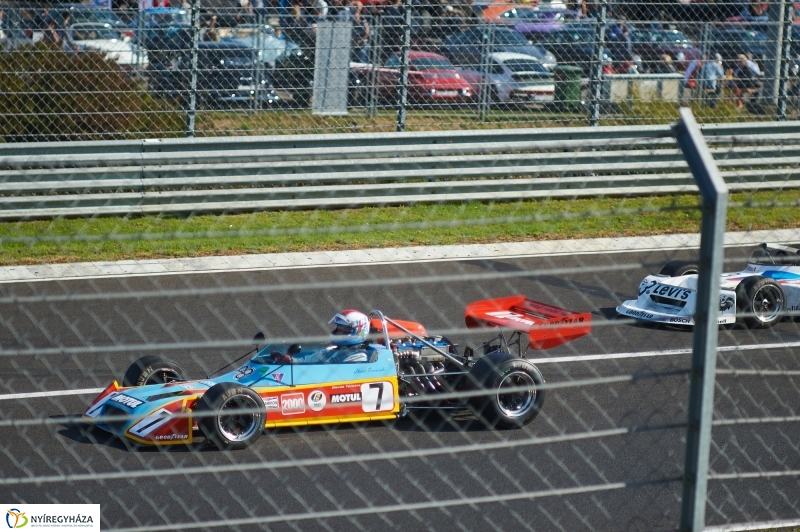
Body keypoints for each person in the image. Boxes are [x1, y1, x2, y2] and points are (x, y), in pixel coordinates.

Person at [286, 310, 371, 364]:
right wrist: (288, 360)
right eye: (337, 327)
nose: (337, 332)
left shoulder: (359, 357)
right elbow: (306, 361)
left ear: (357, 331)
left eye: (341, 329)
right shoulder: (331, 350)